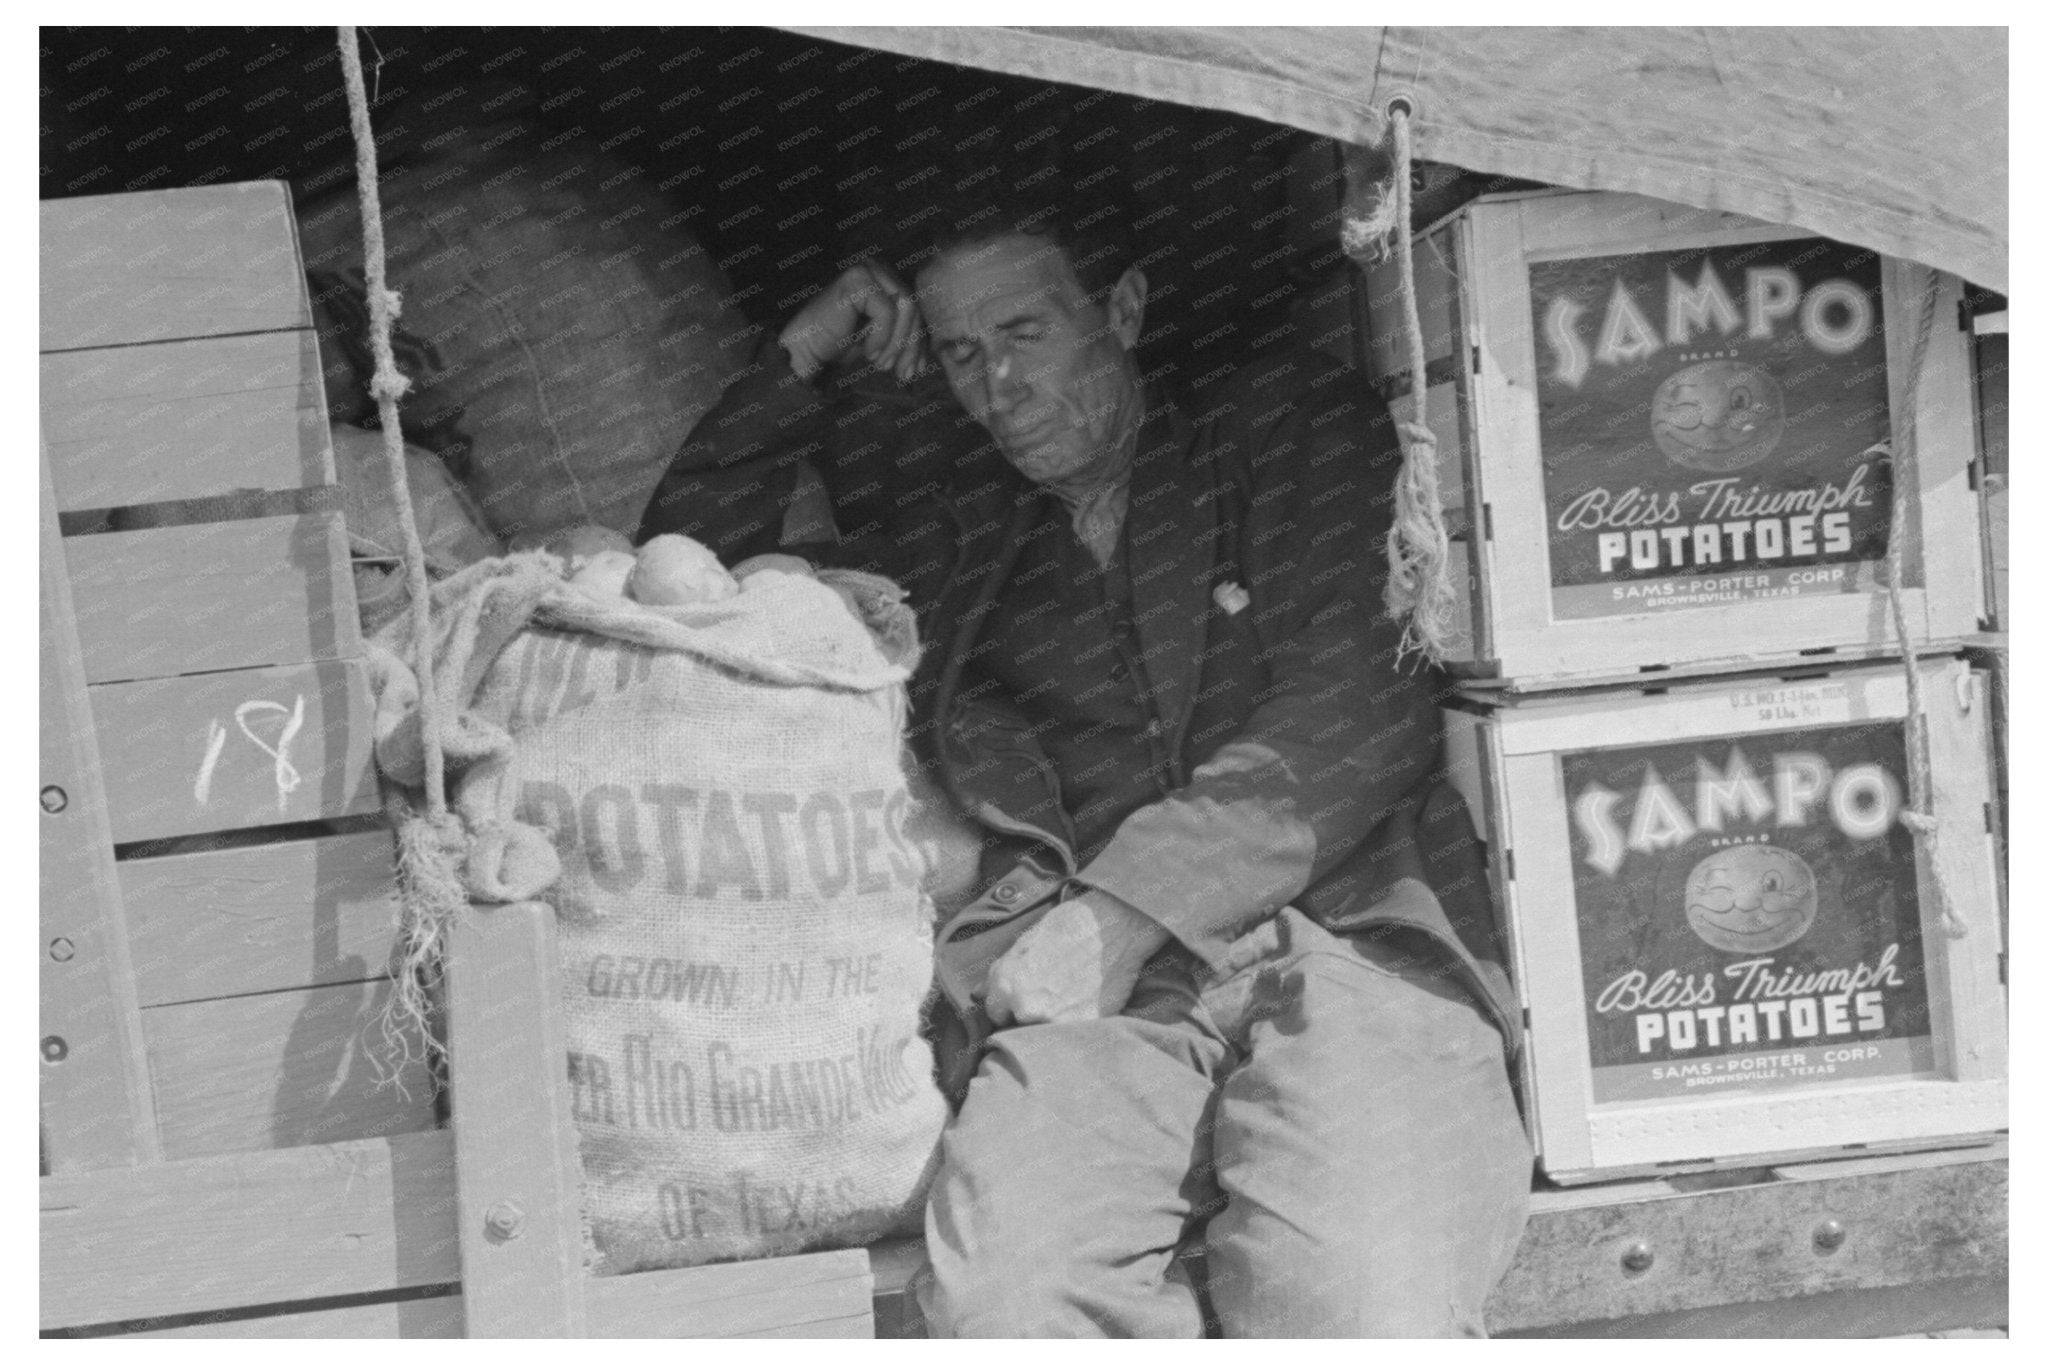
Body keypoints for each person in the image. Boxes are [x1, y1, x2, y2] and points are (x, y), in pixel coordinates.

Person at [639, 191, 1532, 1337]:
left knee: (1349, 1300)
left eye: (1025, 335)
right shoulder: (958, 534)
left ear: (1121, 309)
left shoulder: (1282, 425)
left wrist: (1117, 914)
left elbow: (1358, 706)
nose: (997, 387)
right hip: (1100, 1014)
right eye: (960, 355)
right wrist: (797, 359)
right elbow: (687, 578)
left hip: (1351, 947)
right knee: (1001, 1306)